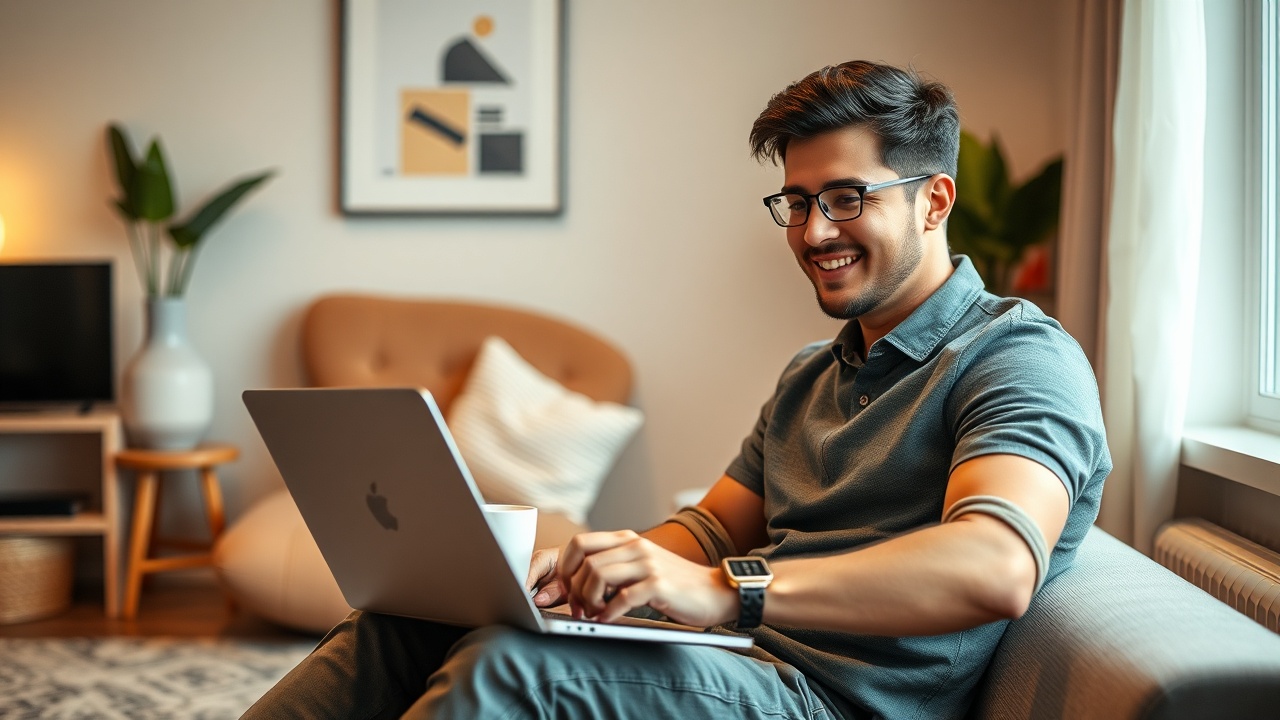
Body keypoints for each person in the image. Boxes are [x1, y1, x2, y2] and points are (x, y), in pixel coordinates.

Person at [245, 60, 1110, 720]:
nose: (814, 231)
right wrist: (600, 571)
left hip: (831, 700)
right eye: (797, 201)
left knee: (505, 669)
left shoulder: (1015, 356)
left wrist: (731, 590)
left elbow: (995, 564)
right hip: (734, 657)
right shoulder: (813, 372)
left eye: (847, 197)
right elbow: (710, 528)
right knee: (409, 620)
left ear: (935, 201)